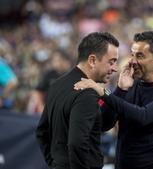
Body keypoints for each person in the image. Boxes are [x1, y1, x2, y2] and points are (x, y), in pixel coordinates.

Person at [74, 31, 153, 169]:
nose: (132, 61)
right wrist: (120, 90)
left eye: (140, 56)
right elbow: (104, 124)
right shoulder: (130, 86)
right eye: (132, 55)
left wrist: (104, 93)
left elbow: (143, 116)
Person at [36, 32, 119, 169]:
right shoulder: (87, 93)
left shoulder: (57, 84)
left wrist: (54, 163)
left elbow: (41, 132)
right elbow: (77, 143)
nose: (114, 68)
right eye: (111, 62)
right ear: (92, 60)